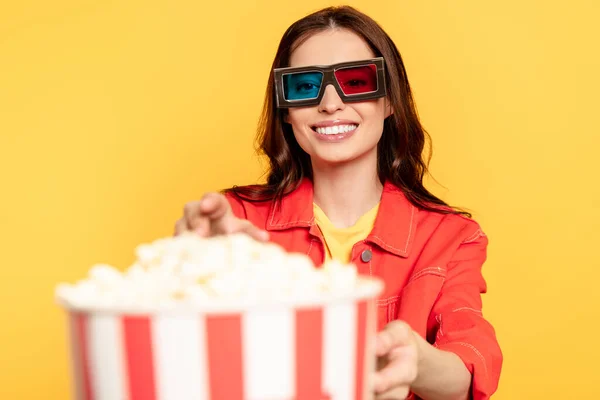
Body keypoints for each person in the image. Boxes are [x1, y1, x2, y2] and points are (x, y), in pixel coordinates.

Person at [174, 5, 502, 400]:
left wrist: (415, 361)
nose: (330, 103)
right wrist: (193, 265)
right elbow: (188, 360)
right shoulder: (237, 221)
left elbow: (468, 367)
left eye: (357, 80)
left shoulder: (451, 237)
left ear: (390, 100)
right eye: (304, 86)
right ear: (286, 112)